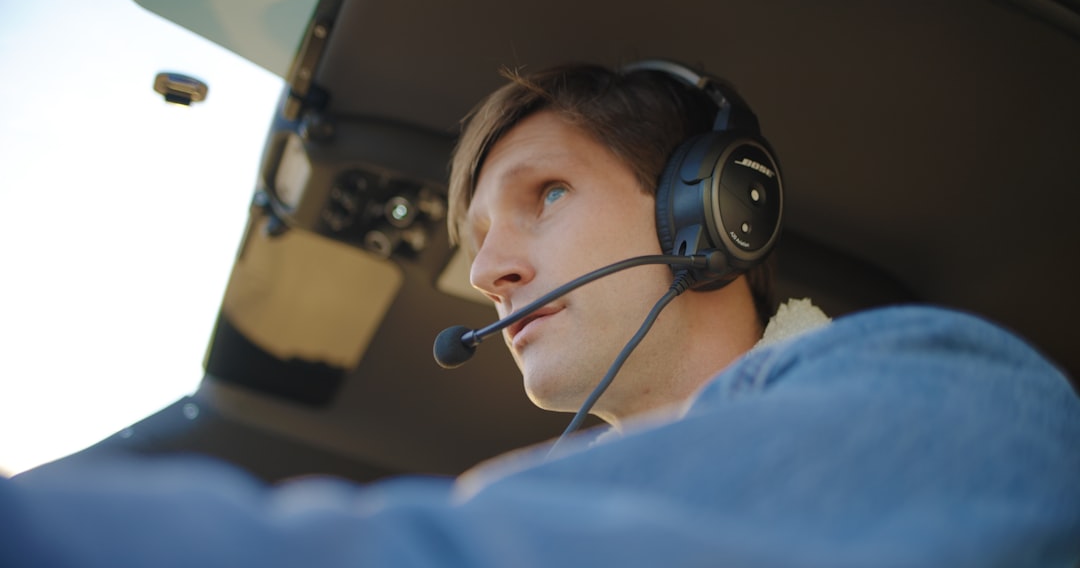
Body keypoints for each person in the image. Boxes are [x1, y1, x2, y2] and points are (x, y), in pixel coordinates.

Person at [3, 61, 1079, 568]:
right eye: (477, 238)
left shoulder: (941, 376)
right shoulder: (550, 496)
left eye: (545, 195)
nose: (491, 271)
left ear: (714, 207)